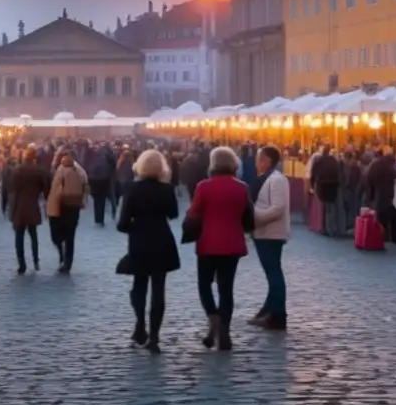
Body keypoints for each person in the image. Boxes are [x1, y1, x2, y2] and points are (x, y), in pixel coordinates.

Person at [186, 146, 253, 351]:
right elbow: (247, 215)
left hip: (208, 243)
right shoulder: (242, 187)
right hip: (232, 243)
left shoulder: (203, 187)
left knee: (204, 284)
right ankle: (225, 332)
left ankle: (212, 316)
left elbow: (193, 212)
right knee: (226, 288)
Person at [116, 149, 179, 354]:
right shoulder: (166, 189)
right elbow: (174, 213)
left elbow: (123, 223)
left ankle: (140, 324)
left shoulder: (132, 189)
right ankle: (154, 337)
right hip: (162, 240)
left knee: (139, 284)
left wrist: (134, 227)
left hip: (140, 241)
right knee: (159, 290)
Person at [250, 145, 290, 331]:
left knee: (274, 273)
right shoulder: (265, 178)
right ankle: (268, 311)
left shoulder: (277, 180)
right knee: (272, 273)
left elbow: (277, 208)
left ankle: (278, 315)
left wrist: (254, 218)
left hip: (271, 232)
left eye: (258, 158)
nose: (256, 162)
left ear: (267, 160)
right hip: (263, 232)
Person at [48, 150, 88, 273]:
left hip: (62, 206)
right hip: (74, 206)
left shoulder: (61, 170)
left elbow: (56, 191)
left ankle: (62, 255)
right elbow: (85, 185)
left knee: (57, 233)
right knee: (70, 236)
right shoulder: (80, 170)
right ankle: (68, 262)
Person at [10, 147, 46, 275]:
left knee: (19, 237)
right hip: (32, 205)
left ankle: (22, 264)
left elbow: (12, 188)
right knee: (33, 235)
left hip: (19, 206)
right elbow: (44, 185)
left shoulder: (18, 170)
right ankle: (35, 260)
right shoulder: (38, 170)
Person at [365, 147, 396, 244]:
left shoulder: (374, 165)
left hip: (378, 193)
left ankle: (382, 236)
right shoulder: (390, 165)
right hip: (390, 192)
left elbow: (369, 178)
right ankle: (394, 237)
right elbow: (395, 176)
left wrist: (371, 192)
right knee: (392, 215)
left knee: (380, 215)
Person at [310, 146, 342, 237]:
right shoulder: (334, 160)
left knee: (325, 207)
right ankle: (333, 227)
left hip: (322, 184)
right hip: (334, 184)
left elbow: (313, 173)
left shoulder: (318, 161)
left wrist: (313, 185)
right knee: (331, 207)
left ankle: (327, 228)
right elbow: (338, 171)